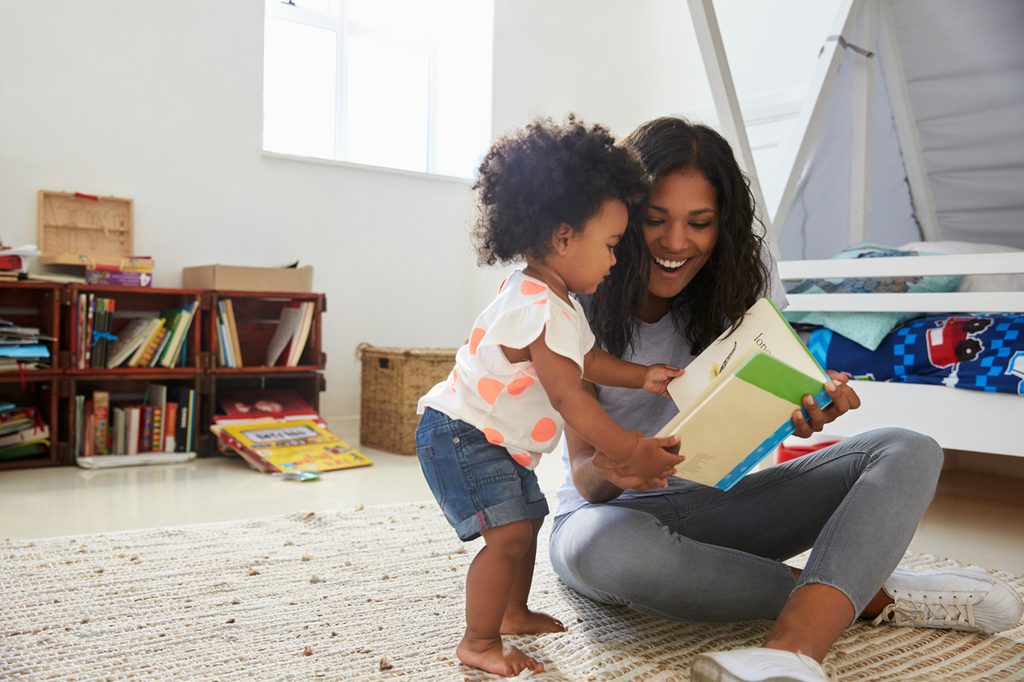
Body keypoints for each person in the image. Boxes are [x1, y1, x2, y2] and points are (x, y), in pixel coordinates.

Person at [548, 116, 1023, 682]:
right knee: (602, 552)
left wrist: (795, 415)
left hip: (719, 502)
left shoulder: (743, 284)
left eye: (699, 223)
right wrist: (619, 466)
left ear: (721, 227)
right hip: (609, 514)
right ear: (621, 219)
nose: (676, 243)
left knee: (909, 449)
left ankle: (791, 653)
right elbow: (584, 476)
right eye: (655, 220)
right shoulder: (576, 297)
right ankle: (861, 595)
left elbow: (753, 418)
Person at [415, 116, 685, 677]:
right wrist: (630, 448)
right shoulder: (538, 308)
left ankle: (512, 610)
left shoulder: (554, 300)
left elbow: (589, 363)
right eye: (611, 245)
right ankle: (478, 641)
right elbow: (572, 399)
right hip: (461, 433)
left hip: (490, 436)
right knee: (508, 535)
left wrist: (642, 376)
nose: (616, 261)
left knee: (530, 518)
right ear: (564, 238)